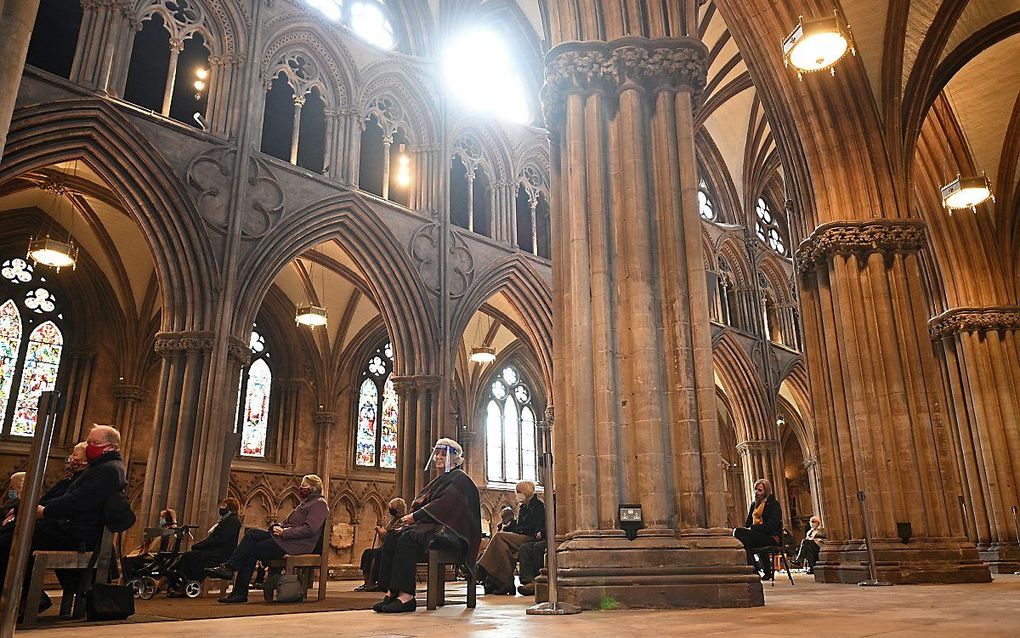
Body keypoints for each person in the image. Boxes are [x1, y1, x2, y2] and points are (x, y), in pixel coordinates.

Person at [0, 424, 127, 614]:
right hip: (71, 528)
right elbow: (65, 498)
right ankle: (19, 597)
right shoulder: (101, 467)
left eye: (95, 442)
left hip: (79, 534)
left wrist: (45, 512)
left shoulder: (109, 469)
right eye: (89, 441)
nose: (90, 445)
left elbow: (77, 501)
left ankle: (24, 599)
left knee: (11, 540)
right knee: (10, 534)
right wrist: (30, 510)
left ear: (111, 447)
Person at [373, 438, 481, 613]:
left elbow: (445, 504)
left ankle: (406, 597)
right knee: (393, 536)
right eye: (436, 453)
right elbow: (424, 501)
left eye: (443, 454)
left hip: (454, 534)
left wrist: (415, 516)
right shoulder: (442, 479)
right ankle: (392, 590)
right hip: (433, 530)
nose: (438, 457)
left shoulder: (460, 478)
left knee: (407, 538)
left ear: (456, 457)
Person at [207, 474, 329, 603]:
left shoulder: (319, 504)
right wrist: (277, 527)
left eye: (304, 486)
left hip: (296, 544)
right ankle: (232, 576)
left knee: (252, 548)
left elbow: (310, 529)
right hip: (285, 540)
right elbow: (288, 523)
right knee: (252, 535)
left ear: (314, 488)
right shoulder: (305, 504)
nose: (300, 488)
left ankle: (234, 579)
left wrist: (284, 533)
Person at [477, 480, 545, 595]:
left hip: (531, 537)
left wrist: (518, 529)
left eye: (519, 491)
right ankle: (505, 582)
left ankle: (481, 568)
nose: (517, 494)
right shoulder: (523, 507)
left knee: (499, 537)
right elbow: (520, 526)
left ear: (526, 492)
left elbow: (534, 527)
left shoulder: (538, 506)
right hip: (522, 536)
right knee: (503, 548)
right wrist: (511, 527)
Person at [166, 498, 242, 596]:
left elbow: (221, 539)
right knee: (189, 556)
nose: (220, 508)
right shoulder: (225, 520)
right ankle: (174, 578)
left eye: (223, 506)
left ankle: (184, 585)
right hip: (216, 551)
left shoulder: (233, 521)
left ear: (230, 508)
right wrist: (201, 545)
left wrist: (201, 546)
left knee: (190, 557)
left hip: (221, 554)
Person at [732, 478, 783, 580]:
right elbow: (748, 523)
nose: (757, 492)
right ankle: (757, 570)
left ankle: (754, 570)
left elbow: (772, 525)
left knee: (739, 532)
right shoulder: (754, 505)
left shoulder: (773, 504)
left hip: (771, 536)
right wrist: (749, 529)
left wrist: (753, 529)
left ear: (766, 491)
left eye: (760, 490)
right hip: (758, 535)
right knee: (743, 538)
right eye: (756, 489)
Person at [355, 497, 407, 591]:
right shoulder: (393, 520)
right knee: (367, 552)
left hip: (395, 548)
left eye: (392, 507)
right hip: (387, 546)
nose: (390, 510)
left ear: (398, 509)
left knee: (378, 554)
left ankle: (379, 582)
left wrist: (383, 533)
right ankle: (367, 582)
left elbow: (394, 535)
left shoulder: (403, 520)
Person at [122, 508, 177, 580]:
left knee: (126, 560)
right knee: (127, 558)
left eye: (163, 517)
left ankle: (130, 581)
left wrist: (147, 549)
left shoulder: (168, 532)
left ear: (167, 519)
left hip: (154, 557)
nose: (160, 519)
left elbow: (160, 548)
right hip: (153, 555)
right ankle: (132, 580)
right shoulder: (167, 531)